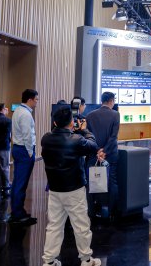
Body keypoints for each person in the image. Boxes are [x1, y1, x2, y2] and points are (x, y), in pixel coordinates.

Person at [41, 104, 102, 266]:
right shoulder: (77, 140)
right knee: (81, 225)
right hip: (74, 189)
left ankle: (49, 261)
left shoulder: (46, 138)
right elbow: (93, 146)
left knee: (54, 226)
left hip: (55, 189)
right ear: (71, 122)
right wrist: (85, 130)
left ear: (55, 122)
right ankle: (86, 259)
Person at [85, 92, 120, 218]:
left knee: (91, 181)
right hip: (110, 154)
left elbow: (88, 137)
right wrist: (104, 151)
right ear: (111, 101)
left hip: (93, 154)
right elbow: (113, 137)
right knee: (112, 181)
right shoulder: (115, 114)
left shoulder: (89, 115)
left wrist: (98, 151)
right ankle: (110, 212)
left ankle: (91, 212)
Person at [10, 88, 39, 225]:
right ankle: (18, 214)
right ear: (30, 100)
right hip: (24, 150)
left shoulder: (18, 111)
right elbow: (27, 135)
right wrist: (30, 152)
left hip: (18, 148)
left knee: (17, 182)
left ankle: (17, 211)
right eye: (36, 99)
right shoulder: (26, 114)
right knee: (21, 183)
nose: (37, 102)